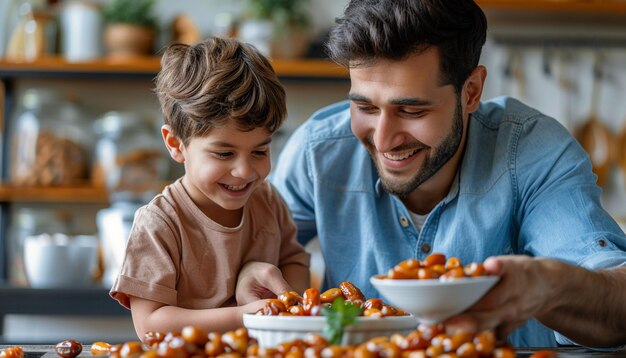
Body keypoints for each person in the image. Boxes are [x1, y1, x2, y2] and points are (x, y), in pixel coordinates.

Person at [235, 0, 626, 349]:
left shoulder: (533, 151)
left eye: (412, 111)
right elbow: (253, 258)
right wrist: (250, 268)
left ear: (471, 92)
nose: (384, 139)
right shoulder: (318, 152)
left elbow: (617, 298)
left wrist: (549, 286)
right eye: (365, 108)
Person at [109, 36, 310, 338]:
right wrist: (243, 317)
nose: (245, 171)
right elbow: (149, 324)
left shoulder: (268, 201)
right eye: (224, 153)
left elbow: (293, 261)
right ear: (176, 144)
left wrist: (285, 296)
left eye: (259, 152)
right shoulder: (159, 224)